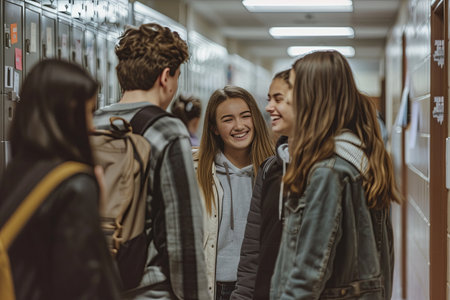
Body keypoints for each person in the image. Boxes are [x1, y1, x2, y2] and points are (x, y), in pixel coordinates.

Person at [270, 51, 401, 300]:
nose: (288, 98)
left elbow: (307, 275)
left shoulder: (328, 172)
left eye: (294, 90)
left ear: (313, 96)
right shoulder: (359, 156)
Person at [93, 23, 208, 299]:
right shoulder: (166, 129)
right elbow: (183, 236)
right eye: (177, 76)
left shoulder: (91, 122)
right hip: (146, 287)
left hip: (95, 280)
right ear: (166, 76)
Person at [0, 59, 121, 300]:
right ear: (69, 114)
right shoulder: (74, 185)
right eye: (89, 112)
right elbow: (83, 285)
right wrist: (100, 209)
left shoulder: (15, 173)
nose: (92, 126)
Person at [193, 86, 274, 300]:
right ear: (214, 128)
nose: (239, 126)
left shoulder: (275, 173)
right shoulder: (197, 171)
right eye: (228, 119)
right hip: (213, 289)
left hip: (261, 287)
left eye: (245, 116)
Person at [231, 69, 293, 300]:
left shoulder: (329, 170)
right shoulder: (271, 169)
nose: (268, 108)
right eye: (269, 99)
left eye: (278, 99)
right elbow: (253, 247)